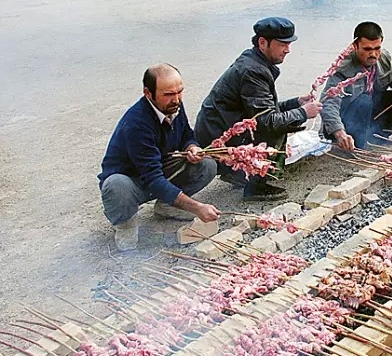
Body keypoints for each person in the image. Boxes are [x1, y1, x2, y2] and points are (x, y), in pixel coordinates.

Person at [195, 17, 323, 201]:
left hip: (221, 126)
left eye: (288, 44)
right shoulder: (253, 70)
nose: (287, 50)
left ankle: (237, 173)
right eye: (282, 44)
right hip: (218, 134)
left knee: (282, 119)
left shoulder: (255, 61)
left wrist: (296, 103)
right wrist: (303, 112)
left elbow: (262, 109)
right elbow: (266, 121)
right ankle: (255, 187)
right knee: (277, 129)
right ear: (263, 43)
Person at [98, 64, 219, 251]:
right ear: (148, 93)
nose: (176, 99)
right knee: (116, 185)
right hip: (133, 182)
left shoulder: (173, 106)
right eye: (168, 94)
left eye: (180, 92)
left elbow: (186, 134)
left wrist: (192, 147)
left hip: (158, 170)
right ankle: (125, 225)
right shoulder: (137, 123)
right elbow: (153, 179)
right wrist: (197, 207)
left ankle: (166, 206)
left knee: (207, 164)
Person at [320, 21, 392, 151]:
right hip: (345, 121)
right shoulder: (342, 69)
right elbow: (328, 103)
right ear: (355, 46)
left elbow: (391, 75)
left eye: (377, 48)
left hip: (369, 112)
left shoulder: (383, 57)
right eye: (367, 49)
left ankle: (377, 138)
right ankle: (357, 144)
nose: (373, 54)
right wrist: (339, 132)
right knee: (365, 100)